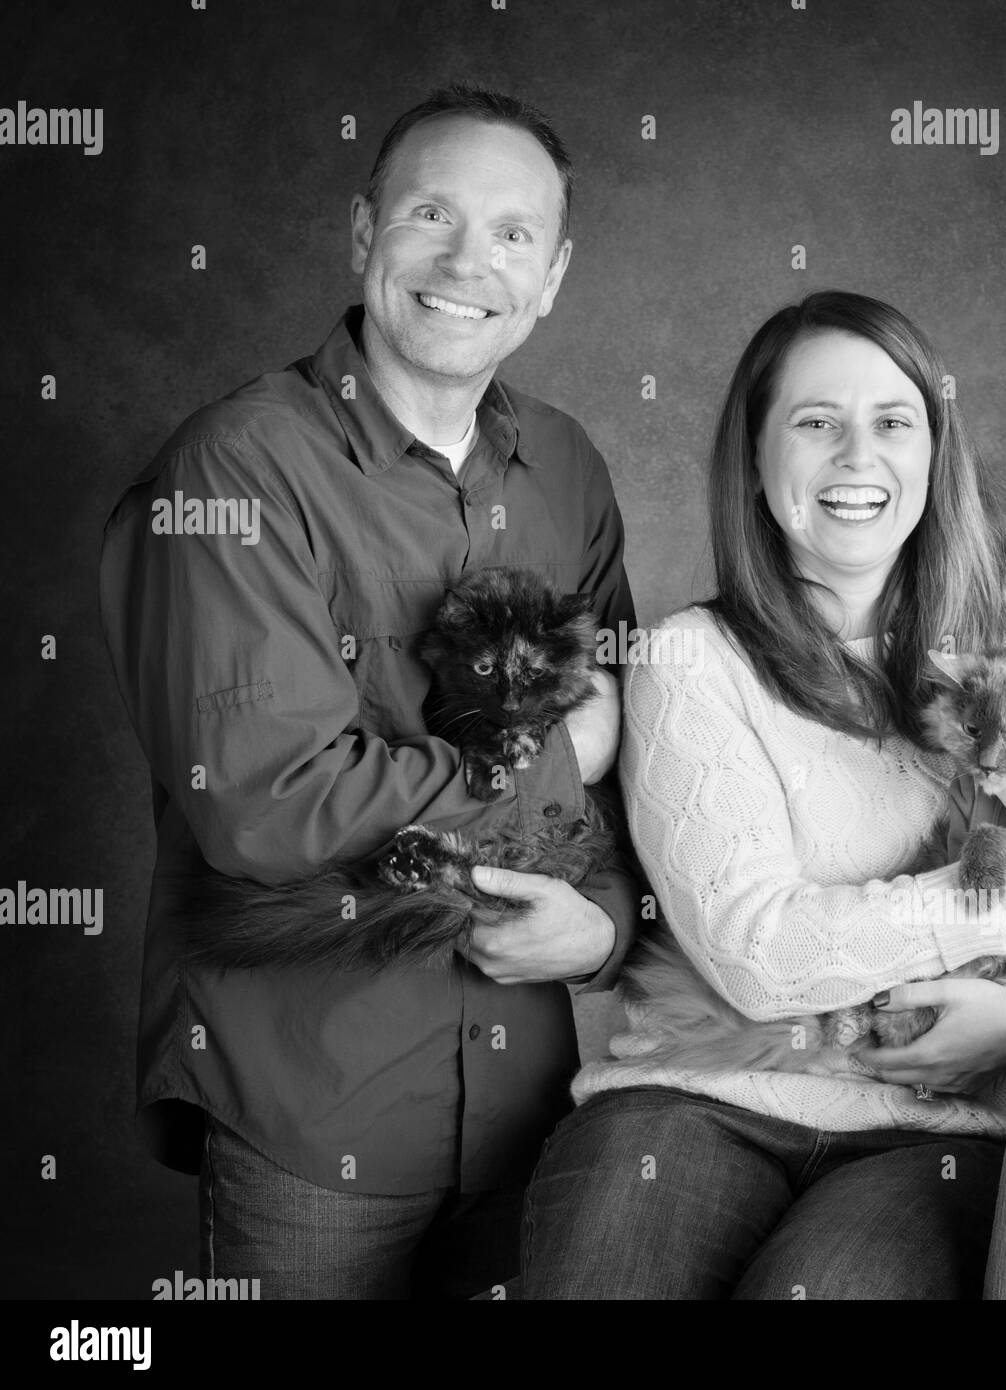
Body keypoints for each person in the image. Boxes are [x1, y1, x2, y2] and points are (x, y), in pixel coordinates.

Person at [516, 291, 1006, 1300]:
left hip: (945, 1125)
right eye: (815, 424)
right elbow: (760, 955)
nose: (857, 457)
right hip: (698, 1098)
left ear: (934, 454)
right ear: (756, 468)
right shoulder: (691, 661)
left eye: (892, 423)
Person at [98, 86, 643, 1299]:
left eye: (511, 235)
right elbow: (270, 802)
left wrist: (600, 926)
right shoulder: (235, 470)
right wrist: (565, 760)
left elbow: (640, 742)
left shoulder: (567, 467)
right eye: (430, 214)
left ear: (550, 277)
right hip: (312, 1108)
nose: (467, 261)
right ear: (363, 236)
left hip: (528, 1106)